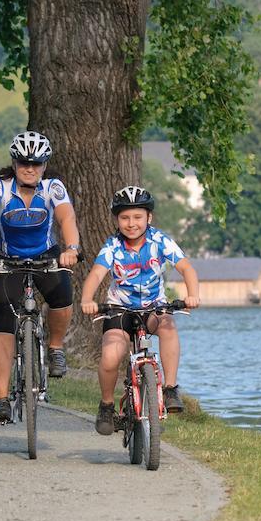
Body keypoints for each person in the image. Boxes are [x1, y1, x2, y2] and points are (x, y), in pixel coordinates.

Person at [0, 131, 81, 422]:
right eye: (23, 163)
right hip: (6, 259)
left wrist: (71, 248)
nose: (29, 168)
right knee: (4, 323)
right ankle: (1, 398)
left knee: (62, 296)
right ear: (14, 163)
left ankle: (55, 347)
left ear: (44, 165)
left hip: (46, 254)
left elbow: (66, 217)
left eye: (36, 163)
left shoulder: (52, 187)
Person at [80, 185, 200, 435]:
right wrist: (87, 299)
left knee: (168, 327)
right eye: (124, 217)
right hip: (119, 310)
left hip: (154, 307)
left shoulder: (160, 240)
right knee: (111, 356)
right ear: (117, 220)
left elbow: (186, 268)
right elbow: (96, 273)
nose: (131, 223)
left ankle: (169, 389)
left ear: (149, 218)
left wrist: (193, 295)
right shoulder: (113, 245)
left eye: (137, 217)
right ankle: (106, 405)